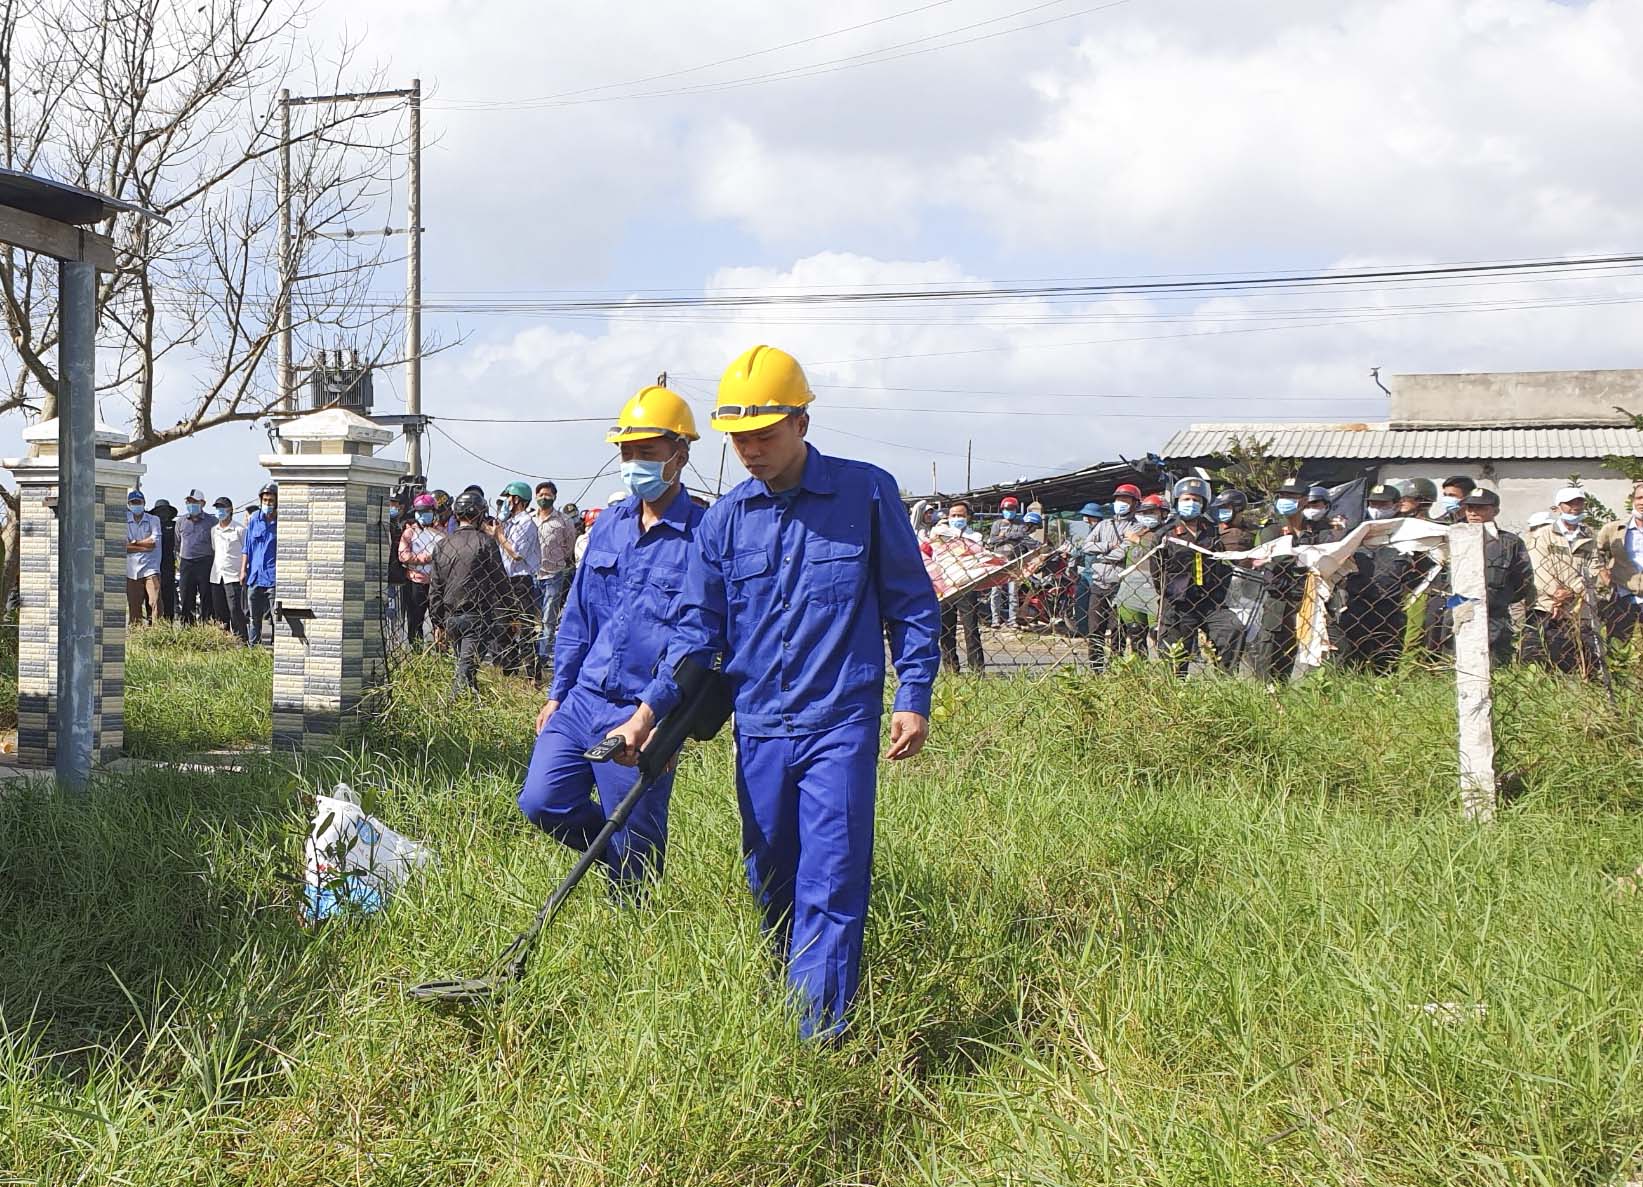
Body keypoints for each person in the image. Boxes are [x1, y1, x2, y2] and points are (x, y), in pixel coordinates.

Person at [606, 344, 940, 1040]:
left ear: (802, 422)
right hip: (758, 726)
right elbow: (695, 631)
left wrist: (913, 692)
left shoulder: (866, 493)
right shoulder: (726, 520)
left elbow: (909, 600)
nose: (750, 449)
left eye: (764, 433)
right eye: (739, 437)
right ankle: (790, 991)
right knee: (771, 875)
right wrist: (648, 715)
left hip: (838, 722)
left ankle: (817, 1035)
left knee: (833, 876)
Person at [517, 385, 706, 889]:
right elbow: (578, 616)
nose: (633, 463)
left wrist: (654, 720)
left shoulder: (702, 535)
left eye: (647, 452)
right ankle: (609, 853)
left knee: (638, 842)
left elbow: (695, 639)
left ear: (680, 454)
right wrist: (558, 692)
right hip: (584, 699)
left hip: (641, 709)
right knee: (542, 801)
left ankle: (635, 930)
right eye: (627, 452)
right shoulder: (609, 527)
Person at [1152, 478, 1241, 674]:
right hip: (1178, 603)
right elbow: (1156, 572)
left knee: (1232, 629)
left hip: (1211, 601)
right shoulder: (1165, 534)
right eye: (1186, 499)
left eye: (1195, 500)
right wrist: (1171, 592)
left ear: (1204, 504)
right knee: (1176, 658)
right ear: (1176, 501)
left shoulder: (1213, 532)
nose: (1190, 503)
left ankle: (1225, 680)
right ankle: (1175, 694)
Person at [429, 489, 510, 699]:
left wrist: (438, 623)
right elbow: (500, 580)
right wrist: (512, 613)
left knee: (467, 668)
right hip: (477, 616)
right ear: (480, 515)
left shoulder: (442, 545)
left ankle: (473, 706)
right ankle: (449, 708)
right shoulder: (485, 543)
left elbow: (435, 588)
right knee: (464, 671)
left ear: (456, 515)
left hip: (450, 618)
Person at [1251, 481, 1334, 681]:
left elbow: (1328, 553)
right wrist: (1306, 557)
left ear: (1304, 500)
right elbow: (1278, 560)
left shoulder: (1317, 530)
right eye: (1282, 496)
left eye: (1291, 497)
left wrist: (1301, 557)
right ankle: (1267, 694)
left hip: (1309, 598)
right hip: (1279, 599)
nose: (1284, 501)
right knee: (1270, 649)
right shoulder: (1272, 529)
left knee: (1306, 651)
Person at [1522, 486, 1602, 675]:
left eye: (1579, 503)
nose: (1574, 507)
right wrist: (1555, 594)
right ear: (1558, 507)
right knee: (1546, 652)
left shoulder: (1589, 535)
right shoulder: (1543, 534)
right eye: (1569, 503)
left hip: (1579, 605)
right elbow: (1537, 566)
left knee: (1583, 654)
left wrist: (1572, 592)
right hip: (1547, 605)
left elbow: (1594, 567)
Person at [1338, 482, 1414, 672]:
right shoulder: (1355, 534)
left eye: (1384, 505)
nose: (1377, 509)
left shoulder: (1408, 536)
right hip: (1357, 606)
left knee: (1386, 662)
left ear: (1397, 505)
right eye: (1374, 504)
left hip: (1391, 609)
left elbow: (1420, 574)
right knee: (1353, 663)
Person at [492, 480, 542, 674]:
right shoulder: (509, 523)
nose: (506, 503)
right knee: (503, 628)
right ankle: (509, 671)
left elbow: (516, 553)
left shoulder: (526, 523)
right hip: (506, 580)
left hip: (521, 581)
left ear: (517, 500)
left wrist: (499, 536)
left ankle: (532, 674)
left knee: (526, 630)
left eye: (508, 499)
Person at [930, 501, 985, 674]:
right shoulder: (940, 533)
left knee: (971, 629)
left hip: (966, 585)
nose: (956, 518)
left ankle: (977, 670)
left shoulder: (975, 537)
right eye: (953, 515)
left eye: (960, 515)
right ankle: (951, 669)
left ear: (968, 517)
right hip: (944, 586)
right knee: (946, 630)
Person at [532, 480, 578, 684]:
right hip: (532, 575)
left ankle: (541, 660)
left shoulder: (563, 521)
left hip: (554, 574)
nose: (544, 497)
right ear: (535, 496)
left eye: (548, 494)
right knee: (531, 620)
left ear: (554, 497)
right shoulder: (529, 519)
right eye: (541, 494)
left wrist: (559, 560)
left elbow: (570, 546)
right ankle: (530, 658)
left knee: (548, 620)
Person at [1075, 501, 1125, 669]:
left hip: (1118, 581)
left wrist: (1102, 554)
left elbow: (1124, 550)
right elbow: (1086, 547)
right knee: (1094, 625)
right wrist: (1109, 547)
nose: (1085, 518)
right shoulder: (1099, 528)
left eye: (1087, 516)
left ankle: (1116, 664)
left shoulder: (1128, 527)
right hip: (1095, 578)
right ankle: (1096, 667)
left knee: (1117, 626)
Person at [1595, 480, 1643, 647]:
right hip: (1623, 596)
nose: (1642, 502)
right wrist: (1602, 572)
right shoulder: (1614, 529)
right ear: (1633, 501)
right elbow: (1596, 552)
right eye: (1639, 498)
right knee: (1617, 648)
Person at [399, 492, 445, 644]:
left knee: (439, 621)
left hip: (436, 583)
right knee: (414, 619)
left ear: (434, 513)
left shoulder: (441, 534)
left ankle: (441, 652)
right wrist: (425, 558)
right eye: (420, 512)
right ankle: (416, 652)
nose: (423, 515)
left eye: (426, 512)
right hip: (415, 581)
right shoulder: (410, 532)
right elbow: (403, 556)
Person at [242, 482, 278, 645]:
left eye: (271, 501)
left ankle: (277, 650)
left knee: (277, 617)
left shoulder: (281, 522)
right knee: (253, 618)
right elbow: (246, 548)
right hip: (255, 576)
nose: (268, 504)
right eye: (265, 500)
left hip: (273, 576)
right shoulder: (254, 520)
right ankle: (253, 650)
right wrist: (243, 570)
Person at [207, 496, 248, 638]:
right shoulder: (214, 530)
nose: (220, 511)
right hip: (217, 575)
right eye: (217, 508)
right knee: (219, 611)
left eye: (222, 508)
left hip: (233, 576)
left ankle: (241, 640)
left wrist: (243, 570)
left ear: (230, 510)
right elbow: (214, 549)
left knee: (235, 610)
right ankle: (224, 640)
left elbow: (246, 551)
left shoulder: (240, 530)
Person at [987, 495, 1029, 628]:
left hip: (1014, 562)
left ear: (1015, 510)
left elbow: (1020, 535)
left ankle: (1012, 620)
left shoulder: (1020, 524)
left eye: (1011, 509)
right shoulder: (997, 524)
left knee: (1013, 592)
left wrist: (1004, 536)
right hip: (998, 562)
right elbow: (992, 539)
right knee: (995, 592)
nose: (1008, 511)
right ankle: (995, 620)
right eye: (1006, 509)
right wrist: (1006, 537)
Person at [175, 488, 215, 626]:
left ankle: (206, 625)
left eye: (194, 502)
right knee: (186, 596)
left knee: (206, 596)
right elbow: (177, 542)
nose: (191, 504)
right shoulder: (181, 522)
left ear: (203, 503)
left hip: (206, 562)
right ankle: (187, 626)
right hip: (187, 563)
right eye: (189, 501)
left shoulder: (212, 521)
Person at [125, 489, 162, 626]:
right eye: (133, 502)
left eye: (138, 502)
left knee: (155, 602)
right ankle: (136, 636)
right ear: (129, 504)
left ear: (144, 503)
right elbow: (123, 546)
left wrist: (134, 543)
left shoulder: (153, 520)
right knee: (134, 605)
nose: (136, 505)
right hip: (131, 570)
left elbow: (153, 543)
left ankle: (158, 632)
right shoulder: (124, 520)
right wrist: (143, 545)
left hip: (150, 568)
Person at [384, 491, 408, 647]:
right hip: (383, 572)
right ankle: (387, 638)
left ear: (401, 507)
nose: (392, 507)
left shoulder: (405, 526)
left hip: (396, 575)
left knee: (394, 609)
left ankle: (394, 639)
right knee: (386, 608)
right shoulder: (384, 524)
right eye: (390, 503)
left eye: (395, 504)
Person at [151, 497, 178, 622]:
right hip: (152, 566)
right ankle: (153, 623)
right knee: (153, 597)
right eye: (160, 511)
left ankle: (169, 623)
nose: (162, 514)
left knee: (168, 596)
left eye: (165, 511)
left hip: (168, 566)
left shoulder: (174, 526)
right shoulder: (150, 526)